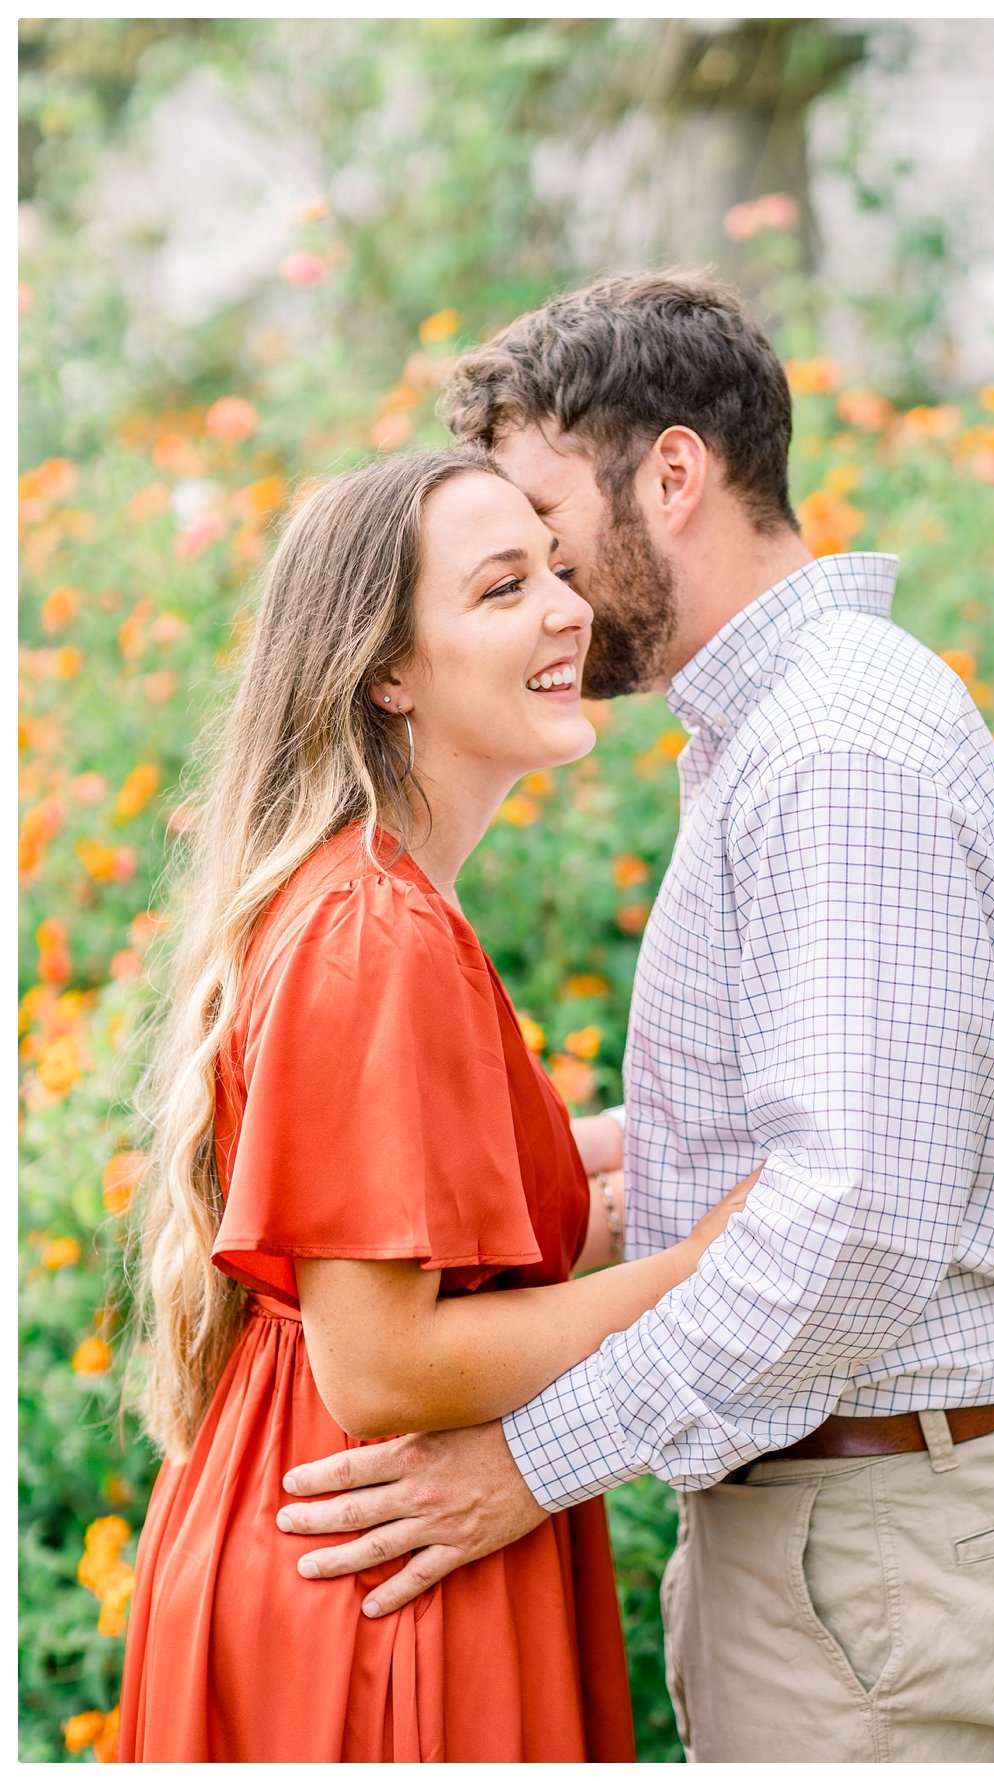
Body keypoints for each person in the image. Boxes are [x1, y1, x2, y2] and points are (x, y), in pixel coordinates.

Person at [275, 273, 994, 1764]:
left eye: (550, 531)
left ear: (674, 473)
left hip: (884, 1547)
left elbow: (846, 1230)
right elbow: (798, 1143)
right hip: (861, 1540)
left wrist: (531, 1463)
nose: (549, 590)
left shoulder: (831, 748)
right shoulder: (779, 733)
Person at [116, 444, 757, 1763]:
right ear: (389, 671)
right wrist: (701, 1259)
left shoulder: (379, 901)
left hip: (351, 1542)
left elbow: (453, 1219)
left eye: (556, 571)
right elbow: (384, 1361)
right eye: (502, 586)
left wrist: (668, 1147)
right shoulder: (373, 932)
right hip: (376, 1585)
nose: (565, 609)